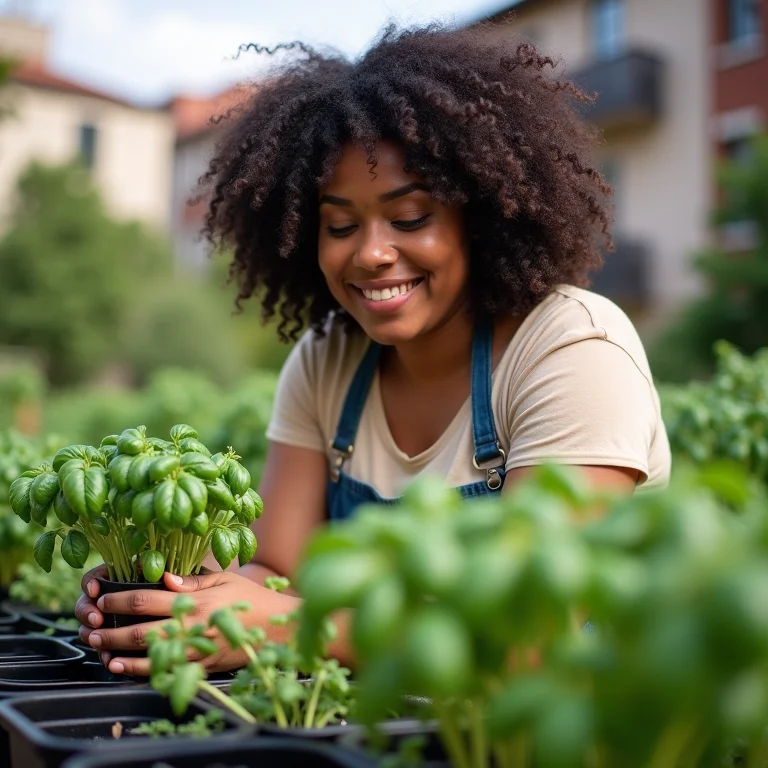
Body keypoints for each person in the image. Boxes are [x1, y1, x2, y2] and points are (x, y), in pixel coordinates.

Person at [75, 24, 671, 675]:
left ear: (479, 214)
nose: (371, 253)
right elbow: (278, 570)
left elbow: (523, 637)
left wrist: (279, 625)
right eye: (339, 225)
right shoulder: (328, 358)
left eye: (410, 217)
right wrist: (179, 590)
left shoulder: (571, 349)